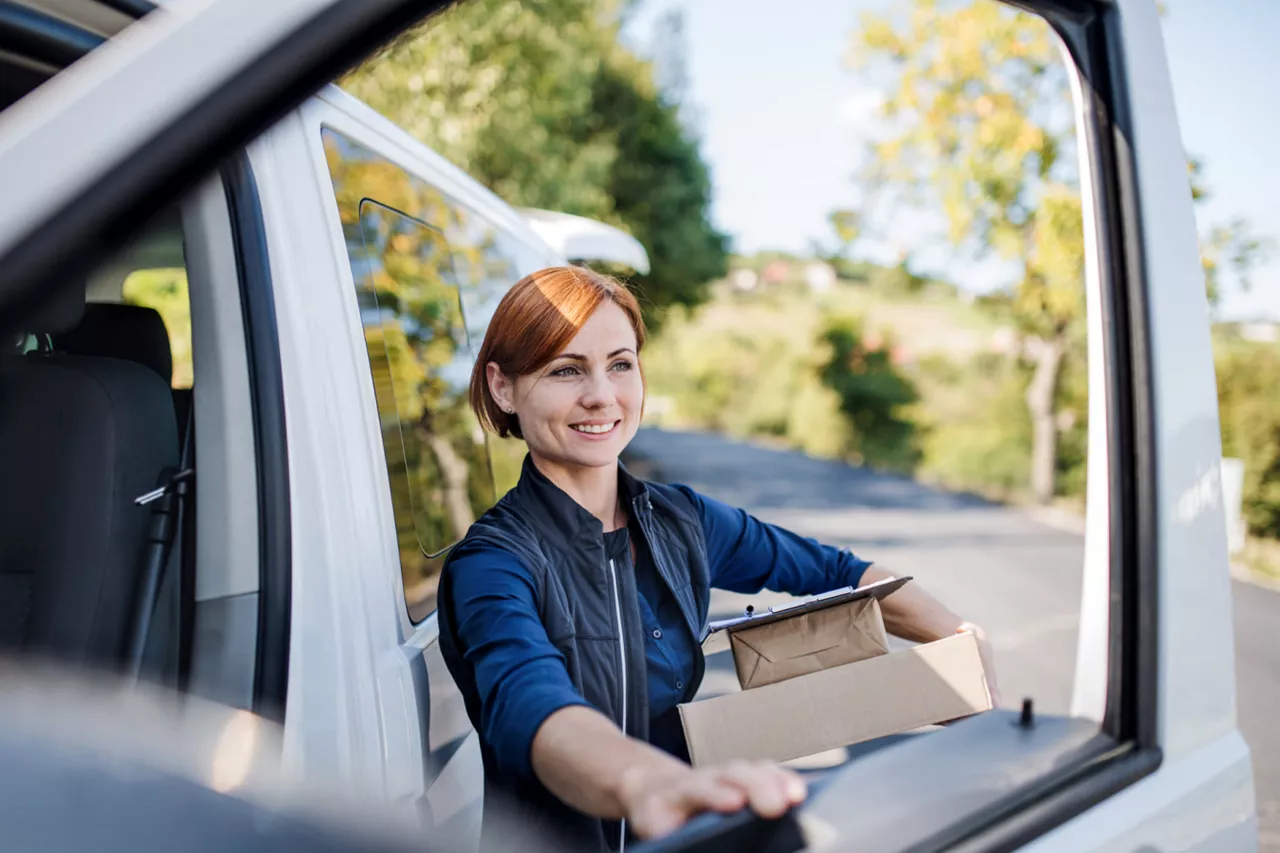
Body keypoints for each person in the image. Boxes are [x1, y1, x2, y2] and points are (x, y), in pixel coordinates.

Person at [437, 266, 1000, 852]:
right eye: (566, 369)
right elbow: (532, 704)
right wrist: (650, 784)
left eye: (620, 363)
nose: (601, 395)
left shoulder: (683, 520)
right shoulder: (492, 562)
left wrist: (955, 640)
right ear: (503, 387)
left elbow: (841, 573)